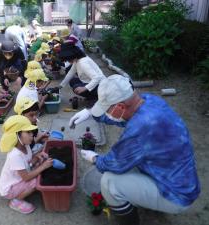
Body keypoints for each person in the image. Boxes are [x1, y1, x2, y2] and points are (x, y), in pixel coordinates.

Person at [69, 75, 200, 225]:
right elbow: (122, 117)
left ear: (120, 106)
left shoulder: (141, 128)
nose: (107, 113)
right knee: (128, 166)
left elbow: (112, 164)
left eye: (107, 109)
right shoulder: (150, 101)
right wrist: (91, 113)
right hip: (179, 178)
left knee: (109, 182)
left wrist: (94, 158)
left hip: (175, 194)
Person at [0, 115, 53, 214]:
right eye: (28, 132)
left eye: (31, 132)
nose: (32, 135)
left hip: (18, 178)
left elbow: (29, 162)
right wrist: (43, 166)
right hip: (9, 189)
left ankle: (22, 192)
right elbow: (26, 177)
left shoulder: (26, 145)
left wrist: (37, 156)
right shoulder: (15, 155)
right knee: (35, 181)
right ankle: (16, 201)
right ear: (17, 134)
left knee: (38, 168)